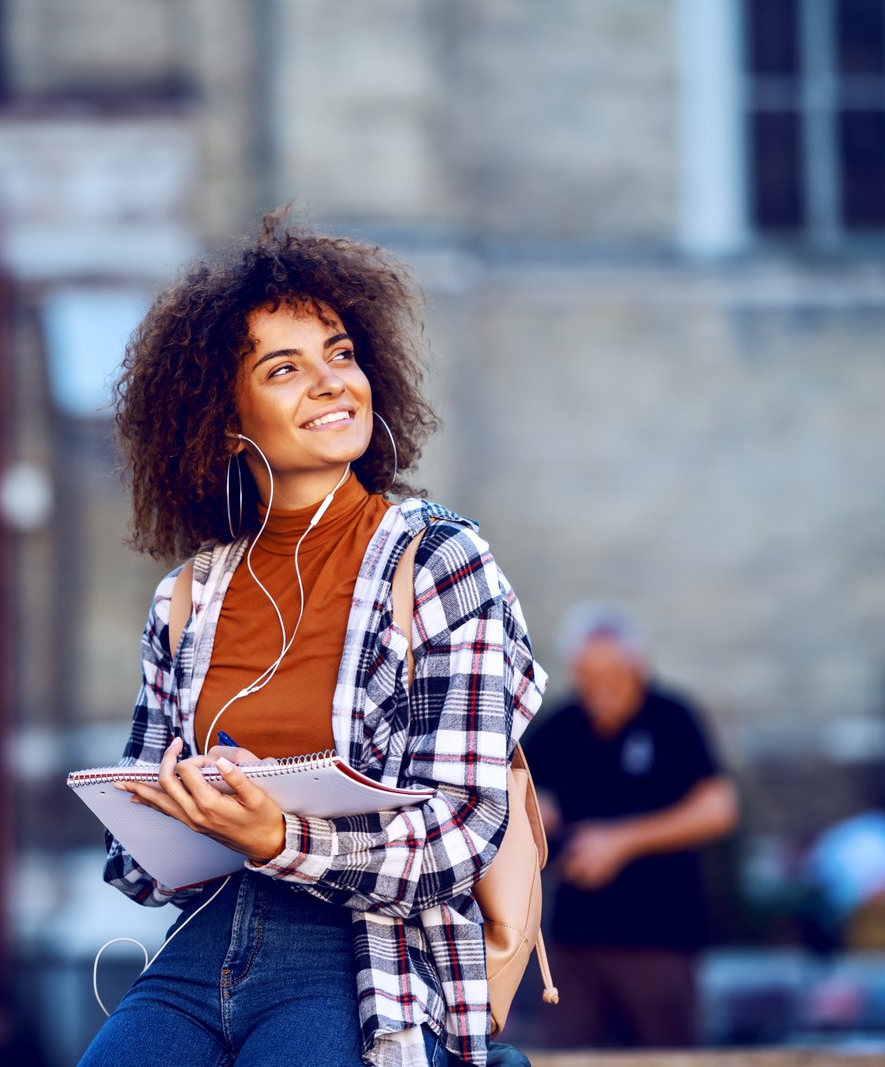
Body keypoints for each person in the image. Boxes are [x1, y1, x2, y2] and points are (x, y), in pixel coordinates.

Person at [79, 213, 548, 1067]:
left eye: (339, 353)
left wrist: (278, 838)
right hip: (204, 944)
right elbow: (139, 871)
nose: (332, 383)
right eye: (284, 368)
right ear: (224, 418)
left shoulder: (438, 561)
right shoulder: (188, 597)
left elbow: (462, 829)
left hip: (368, 956)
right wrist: (175, 811)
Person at [521, 602, 738, 1049]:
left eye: (611, 675)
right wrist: (535, 816)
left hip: (659, 934)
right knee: (567, 1055)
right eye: (587, 676)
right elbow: (522, 798)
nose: (599, 689)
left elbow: (718, 808)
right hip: (575, 937)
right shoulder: (560, 726)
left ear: (637, 667)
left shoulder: (671, 719)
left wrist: (621, 842)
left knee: (668, 1055)